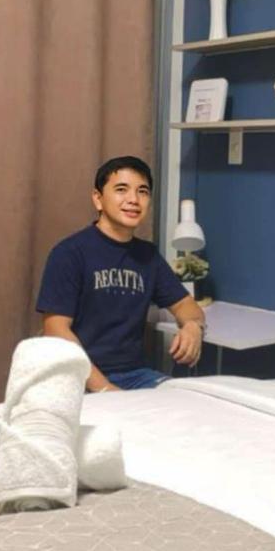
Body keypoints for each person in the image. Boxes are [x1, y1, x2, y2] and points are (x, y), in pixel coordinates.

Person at [36, 156, 206, 391]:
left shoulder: (148, 256)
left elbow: (187, 306)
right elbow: (56, 331)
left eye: (142, 191)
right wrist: (106, 389)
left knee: (187, 398)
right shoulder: (69, 253)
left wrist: (193, 327)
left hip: (135, 375)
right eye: (121, 189)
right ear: (98, 199)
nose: (133, 199)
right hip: (77, 377)